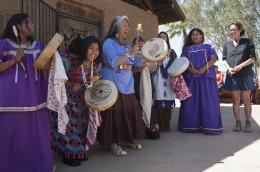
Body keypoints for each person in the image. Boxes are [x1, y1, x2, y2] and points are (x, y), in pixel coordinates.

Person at [0, 13, 53, 171]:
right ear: (17, 26)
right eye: (28, 22)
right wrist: (13, 60)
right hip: (11, 98)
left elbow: (45, 67)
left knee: (36, 134)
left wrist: (50, 59)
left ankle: (37, 166)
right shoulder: (3, 44)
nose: (32, 25)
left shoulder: (38, 45)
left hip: (36, 97)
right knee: (11, 133)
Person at [49, 36, 102, 166]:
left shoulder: (96, 64)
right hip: (67, 101)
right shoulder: (70, 59)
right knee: (68, 127)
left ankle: (77, 151)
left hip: (84, 102)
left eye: (97, 49)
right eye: (91, 48)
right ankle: (68, 154)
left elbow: (96, 80)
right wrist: (70, 83)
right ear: (84, 48)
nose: (94, 52)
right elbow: (57, 75)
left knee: (82, 127)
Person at [98, 15, 145, 156]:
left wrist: (142, 53)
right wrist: (131, 53)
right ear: (116, 27)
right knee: (114, 113)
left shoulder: (127, 45)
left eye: (128, 26)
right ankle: (113, 143)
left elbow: (136, 63)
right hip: (112, 83)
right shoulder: (108, 43)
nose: (128, 28)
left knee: (130, 111)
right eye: (124, 25)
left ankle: (128, 139)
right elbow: (114, 62)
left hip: (127, 84)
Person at [178, 28, 223, 135]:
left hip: (206, 78)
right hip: (191, 79)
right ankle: (191, 126)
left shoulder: (208, 46)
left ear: (202, 36)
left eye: (197, 34)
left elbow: (213, 58)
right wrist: (192, 70)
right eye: (193, 34)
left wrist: (204, 68)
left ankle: (210, 127)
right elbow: (183, 62)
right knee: (191, 102)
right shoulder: (186, 49)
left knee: (208, 102)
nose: (195, 36)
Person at [223, 22, 256, 132]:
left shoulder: (248, 42)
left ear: (240, 29)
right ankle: (237, 122)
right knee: (235, 100)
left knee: (246, 100)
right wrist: (229, 68)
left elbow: (252, 58)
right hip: (232, 75)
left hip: (246, 74)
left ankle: (248, 122)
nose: (232, 32)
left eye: (234, 29)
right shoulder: (227, 44)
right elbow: (224, 59)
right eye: (231, 30)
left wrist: (239, 66)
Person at [132, 36, 160, 140]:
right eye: (135, 42)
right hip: (135, 83)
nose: (138, 43)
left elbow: (153, 68)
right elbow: (129, 70)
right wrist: (138, 69)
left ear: (144, 44)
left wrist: (147, 64)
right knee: (138, 105)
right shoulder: (131, 55)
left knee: (149, 103)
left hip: (148, 83)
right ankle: (140, 130)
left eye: (140, 41)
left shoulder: (149, 54)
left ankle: (152, 129)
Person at [152, 31, 177, 132]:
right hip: (158, 77)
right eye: (160, 37)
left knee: (169, 100)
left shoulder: (172, 52)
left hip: (169, 77)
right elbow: (153, 65)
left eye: (165, 37)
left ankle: (167, 124)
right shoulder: (154, 51)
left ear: (167, 39)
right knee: (159, 98)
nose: (163, 39)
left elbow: (176, 65)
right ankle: (161, 124)